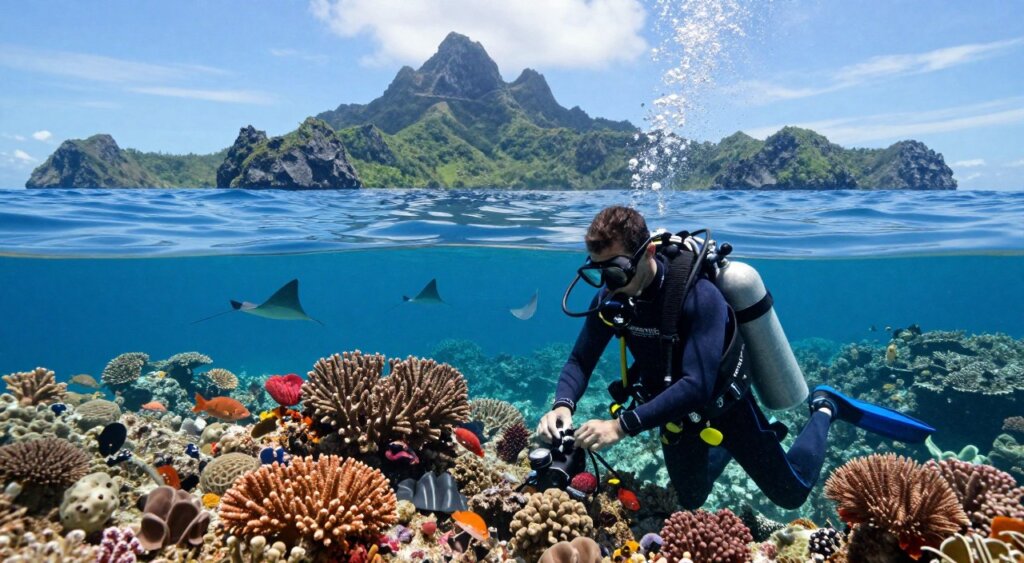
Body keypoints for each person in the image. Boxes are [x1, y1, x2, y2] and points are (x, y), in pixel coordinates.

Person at [537, 205, 933, 509]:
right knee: (690, 499)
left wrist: (621, 427)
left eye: (619, 269)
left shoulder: (698, 296)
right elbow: (580, 360)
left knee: (791, 493)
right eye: (599, 271)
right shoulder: (611, 295)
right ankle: (734, 447)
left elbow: (698, 384)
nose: (609, 283)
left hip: (725, 404)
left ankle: (826, 407)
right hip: (670, 412)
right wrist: (562, 405)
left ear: (649, 251)